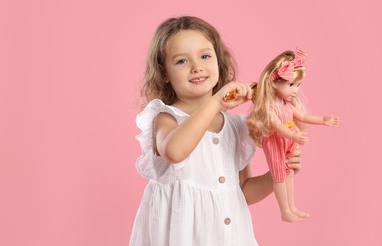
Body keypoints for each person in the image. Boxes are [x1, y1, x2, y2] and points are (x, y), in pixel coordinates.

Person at [129, 16, 301, 246]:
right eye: (181, 61)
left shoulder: (235, 128)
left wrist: (277, 174)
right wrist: (217, 102)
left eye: (205, 56)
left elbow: (242, 192)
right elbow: (174, 151)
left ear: (219, 61)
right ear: (164, 73)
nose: (196, 67)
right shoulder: (166, 118)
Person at [246, 47, 339, 222]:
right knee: (279, 176)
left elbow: (302, 116)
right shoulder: (269, 108)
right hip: (275, 144)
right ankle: (285, 211)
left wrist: (322, 120)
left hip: (288, 142)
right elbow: (277, 126)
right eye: (291, 85)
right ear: (273, 82)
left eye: (297, 85)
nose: (295, 90)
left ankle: (292, 206)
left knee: (289, 173)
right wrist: (293, 136)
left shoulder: (285, 103)